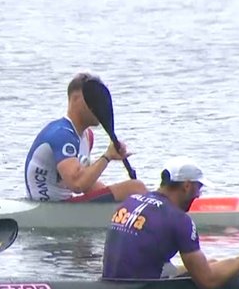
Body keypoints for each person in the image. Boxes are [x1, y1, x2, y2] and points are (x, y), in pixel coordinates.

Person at [101, 157, 239, 289]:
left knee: (211, 263)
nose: (199, 195)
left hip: (112, 283)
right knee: (209, 270)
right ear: (186, 186)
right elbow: (207, 282)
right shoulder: (179, 220)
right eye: (198, 188)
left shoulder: (130, 201)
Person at [24, 72, 147, 203]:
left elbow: (88, 185)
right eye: (93, 99)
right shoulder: (62, 134)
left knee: (131, 192)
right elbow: (77, 184)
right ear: (76, 99)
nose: (99, 106)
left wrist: (113, 196)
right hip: (48, 208)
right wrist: (107, 157)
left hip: (63, 206)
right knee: (136, 187)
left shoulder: (87, 136)